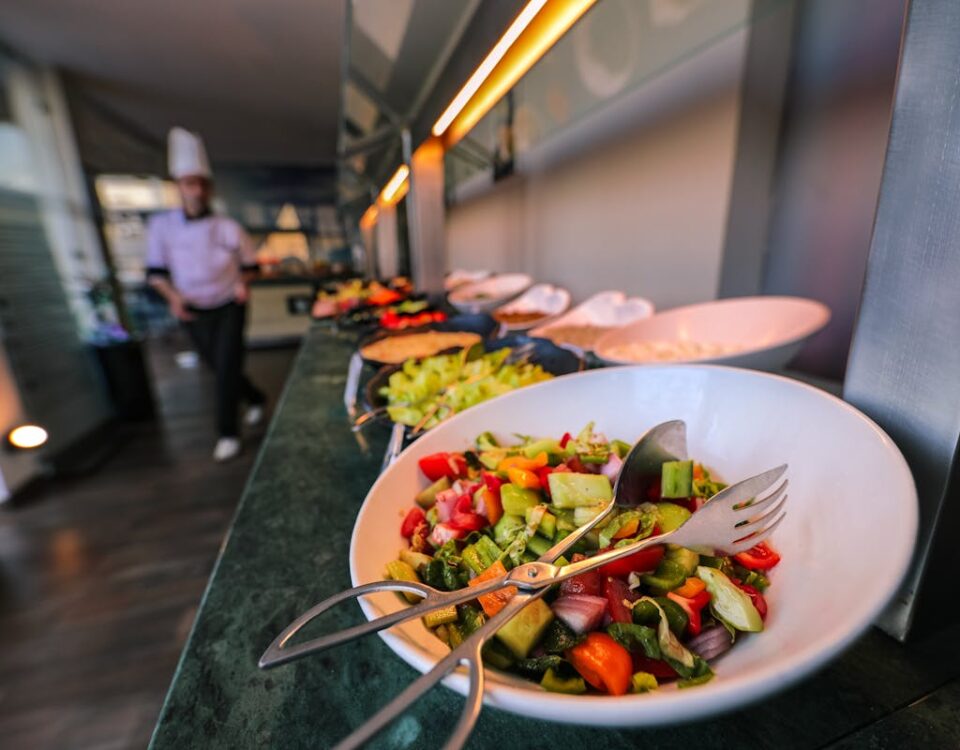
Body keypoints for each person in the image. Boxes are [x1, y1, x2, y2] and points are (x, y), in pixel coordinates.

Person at [146, 127, 265, 462]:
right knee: (218, 366)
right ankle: (255, 398)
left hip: (229, 304)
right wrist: (173, 297)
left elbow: (250, 265)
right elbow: (155, 272)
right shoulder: (162, 227)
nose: (196, 191)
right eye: (189, 184)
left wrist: (243, 282)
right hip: (193, 308)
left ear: (208, 188)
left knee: (227, 364)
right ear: (179, 187)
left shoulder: (228, 227)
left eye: (201, 183)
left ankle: (227, 432)